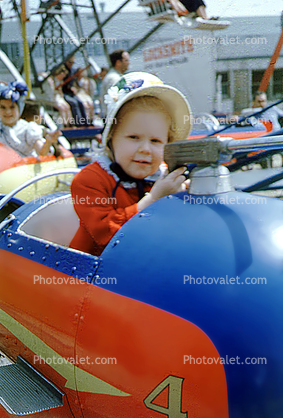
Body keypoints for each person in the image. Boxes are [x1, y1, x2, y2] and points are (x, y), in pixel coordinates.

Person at [70, 72, 192, 256]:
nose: (145, 149)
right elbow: (106, 235)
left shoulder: (162, 179)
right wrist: (152, 200)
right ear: (110, 138)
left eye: (156, 141)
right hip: (91, 275)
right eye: (133, 137)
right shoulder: (88, 181)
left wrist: (188, 195)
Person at [0, 81, 61, 158]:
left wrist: (48, 141)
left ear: (19, 108)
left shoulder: (27, 128)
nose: (7, 112)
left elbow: (42, 151)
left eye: (12, 107)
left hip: (23, 167)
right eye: (3, 107)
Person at [100, 49, 130, 117]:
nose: (129, 63)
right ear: (118, 62)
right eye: (126, 60)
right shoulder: (114, 78)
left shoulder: (115, 76)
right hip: (114, 118)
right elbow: (116, 100)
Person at [62, 56, 90, 127]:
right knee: (74, 103)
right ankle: (78, 123)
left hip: (71, 93)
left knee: (80, 103)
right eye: (70, 62)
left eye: (73, 63)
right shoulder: (63, 70)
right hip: (64, 93)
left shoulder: (73, 71)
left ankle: (85, 122)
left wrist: (73, 88)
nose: (71, 64)